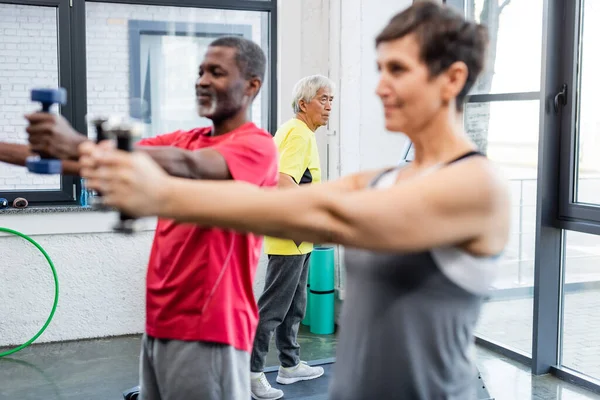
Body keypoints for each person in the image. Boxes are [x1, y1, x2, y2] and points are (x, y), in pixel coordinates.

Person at [80, 2, 511, 399]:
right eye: (380, 69)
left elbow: (319, 211)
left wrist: (161, 194)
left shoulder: (475, 185)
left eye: (397, 70)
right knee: (280, 307)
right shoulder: (386, 178)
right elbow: (288, 199)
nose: (380, 87)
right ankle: (278, 366)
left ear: (452, 78)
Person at [0, 36, 278, 400]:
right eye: (200, 72)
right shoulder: (186, 139)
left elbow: (191, 166)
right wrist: (57, 148)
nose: (202, 81)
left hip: (209, 326)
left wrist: (78, 144)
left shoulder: (256, 145)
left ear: (252, 85)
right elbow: (91, 159)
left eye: (217, 72)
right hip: (161, 321)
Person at [250, 75, 334, 400]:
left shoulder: (293, 131)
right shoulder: (299, 135)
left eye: (331, 101)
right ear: (304, 103)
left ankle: (289, 365)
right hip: (291, 235)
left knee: (295, 306)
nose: (328, 107)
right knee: (272, 309)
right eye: (323, 99)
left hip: (298, 234)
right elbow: (283, 183)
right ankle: (253, 374)